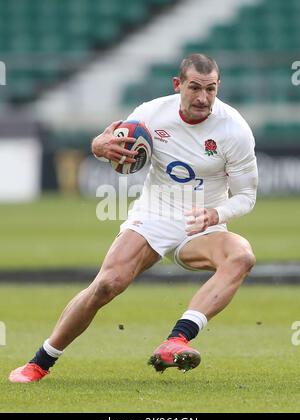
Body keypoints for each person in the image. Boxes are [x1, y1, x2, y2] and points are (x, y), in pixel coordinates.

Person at [9, 53, 258, 382]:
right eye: (195, 87)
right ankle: (40, 362)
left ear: (218, 87)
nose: (203, 97)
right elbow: (110, 140)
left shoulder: (234, 129)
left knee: (241, 256)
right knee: (106, 285)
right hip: (154, 214)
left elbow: (247, 196)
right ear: (177, 84)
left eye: (211, 89)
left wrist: (217, 213)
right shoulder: (151, 114)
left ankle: (177, 340)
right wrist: (99, 145)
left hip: (202, 225)